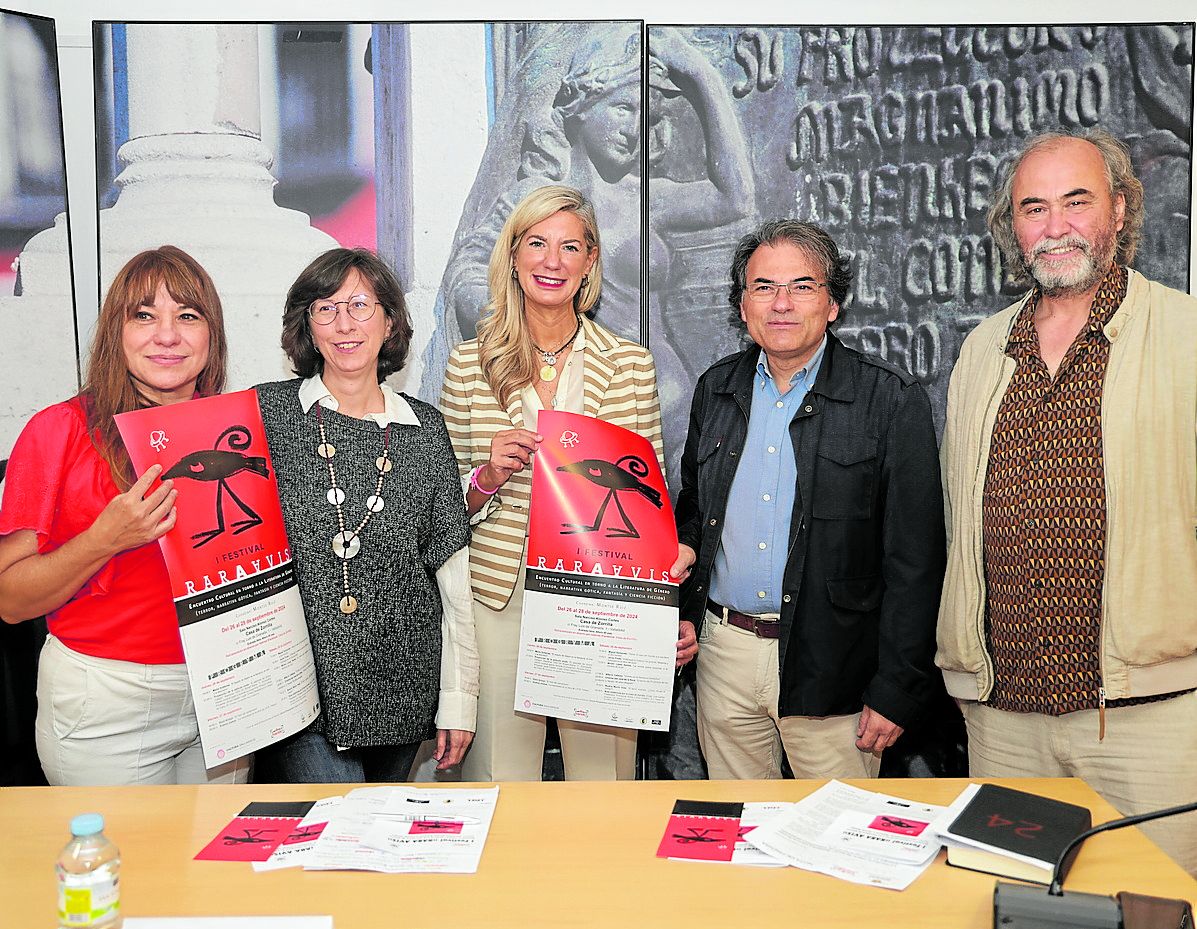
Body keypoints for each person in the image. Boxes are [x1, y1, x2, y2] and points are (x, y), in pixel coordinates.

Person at [936, 129, 1197, 874]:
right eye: (1033, 208)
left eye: (1075, 201)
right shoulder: (982, 351)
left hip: (1152, 717)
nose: (1053, 226)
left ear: (1118, 209)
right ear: (1011, 228)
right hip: (1002, 717)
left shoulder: (1182, 334)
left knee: (1158, 910)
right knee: (1013, 907)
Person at [670, 219, 945, 780]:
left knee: (837, 843)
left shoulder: (888, 400)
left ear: (833, 303)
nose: (781, 304)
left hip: (835, 665)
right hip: (725, 657)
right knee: (741, 838)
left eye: (802, 286)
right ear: (743, 306)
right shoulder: (715, 390)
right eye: (763, 287)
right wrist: (685, 605)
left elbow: (916, 561)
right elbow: (697, 510)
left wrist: (897, 684)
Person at [441, 184, 696, 781]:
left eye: (570, 247)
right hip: (501, 594)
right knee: (500, 782)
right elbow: (442, 504)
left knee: (601, 782)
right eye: (537, 243)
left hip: (602, 595)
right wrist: (487, 474)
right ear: (513, 257)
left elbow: (646, 497)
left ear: (590, 264)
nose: (552, 261)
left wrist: (660, 603)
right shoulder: (468, 364)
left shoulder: (630, 364)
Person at [0, 245, 248, 785]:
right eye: (144, 315)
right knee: (126, 869)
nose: (167, 335)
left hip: (226, 690)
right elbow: (11, 601)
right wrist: (103, 539)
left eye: (188, 315)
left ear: (212, 335)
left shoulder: (237, 430)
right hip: (108, 703)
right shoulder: (58, 430)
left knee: (214, 867)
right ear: (117, 331)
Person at [254, 248, 475, 783]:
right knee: (326, 843)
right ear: (307, 327)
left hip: (403, 682)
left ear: (390, 320)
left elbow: (452, 578)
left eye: (359, 305)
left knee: (379, 844)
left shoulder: (426, 429)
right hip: (299, 688)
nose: (344, 323)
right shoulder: (264, 416)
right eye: (325, 308)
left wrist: (459, 700)